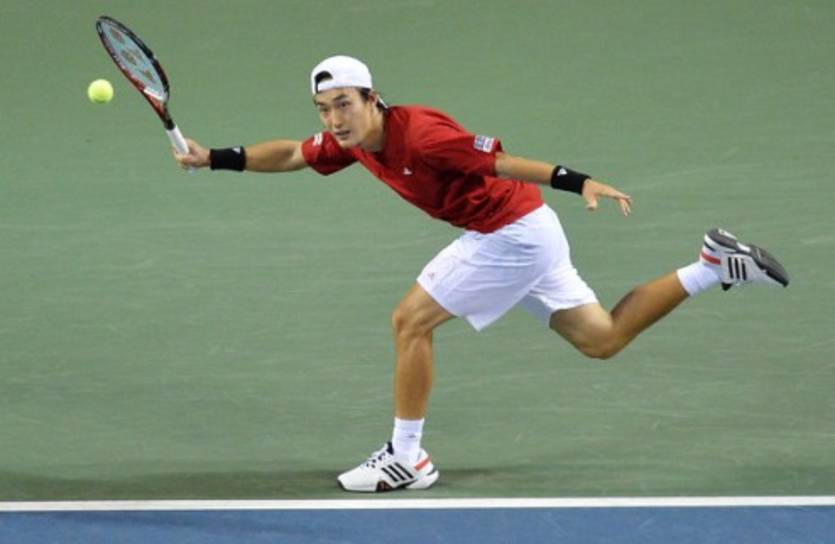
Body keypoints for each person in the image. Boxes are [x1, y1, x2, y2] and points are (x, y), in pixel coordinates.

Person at [173, 55, 789, 493]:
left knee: (410, 322)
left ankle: (406, 459)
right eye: (324, 109)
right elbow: (292, 153)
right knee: (601, 338)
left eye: (343, 105)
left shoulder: (423, 137)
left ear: (371, 98)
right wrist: (213, 158)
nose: (334, 119)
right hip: (527, 232)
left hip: (511, 234)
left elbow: (503, 162)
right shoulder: (353, 140)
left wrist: (580, 181)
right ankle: (712, 265)